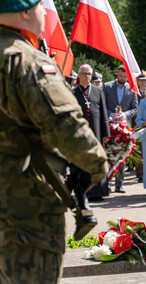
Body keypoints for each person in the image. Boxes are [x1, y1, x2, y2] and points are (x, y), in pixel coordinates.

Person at [0, 1, 108, 283]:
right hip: (24, 209)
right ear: (24, 11)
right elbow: (70, 131)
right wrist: (96, 168)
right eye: (39, 6)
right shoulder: (27, 61)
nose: (44, 13)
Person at [71, 64, 110, 201]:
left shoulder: (98, 91)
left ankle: (97, 192)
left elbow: (104, 113)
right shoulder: (73, 92)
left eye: (89, 74)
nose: (87, 76)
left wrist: (106, 133)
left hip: (97, 132)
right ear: (79, 75)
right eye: (84, 73)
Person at [103, 65, 138, 193]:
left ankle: (119, 185)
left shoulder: (132, 89)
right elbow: (102, 104)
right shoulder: (107, 87)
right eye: (120, 76)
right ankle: (107, 183)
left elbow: (135, 108)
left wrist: (124, 114)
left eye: (125, 77)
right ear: (116, 74)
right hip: (110, 126)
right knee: (110, 153)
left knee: (122, 154)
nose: (122, 78)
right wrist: (110, 114)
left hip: (124, 127)